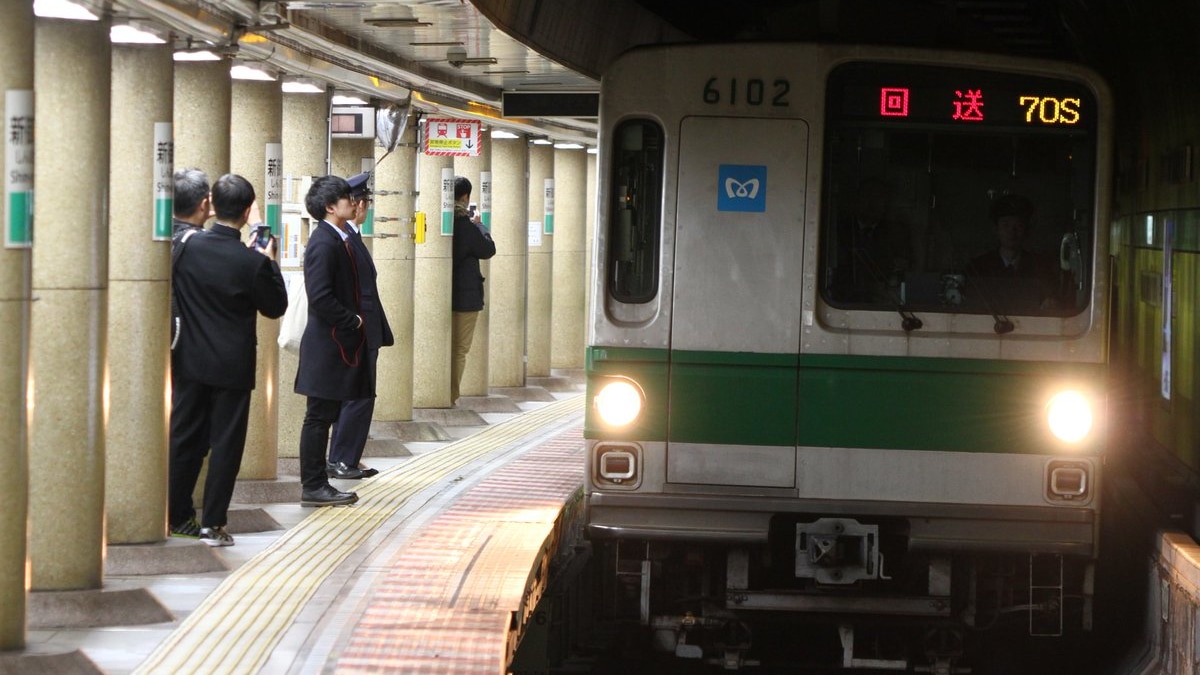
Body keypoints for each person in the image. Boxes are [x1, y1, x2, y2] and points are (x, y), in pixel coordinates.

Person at [168, 173, 288, 546]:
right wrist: (266, 253)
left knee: (185, 437)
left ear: (211, 205)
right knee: (226, 443)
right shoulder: (250, 260)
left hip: (188, 358)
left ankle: (177, 514)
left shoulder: (187, 248)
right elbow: (275, 306)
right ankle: (213, 523)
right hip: (232, 367)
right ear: (248, 210)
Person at [295, 175, 394, 506]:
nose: (354, 202)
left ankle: (318, 482)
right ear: (329, 206)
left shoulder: (337, 237)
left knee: (324, 414)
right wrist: (353, 320)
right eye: (345, 198)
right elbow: (320, 296)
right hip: (328, 345)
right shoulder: (324, 242)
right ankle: (313, 485)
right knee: (318, 417)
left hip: (336, 344)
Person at [327, 171, 387, 479]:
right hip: (358, 333)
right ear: (358, 205)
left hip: (361, 331)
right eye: (365, 203)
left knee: (357, 396)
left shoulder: (350, 237)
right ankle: (342, 459)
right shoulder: (344, 240)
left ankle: (345, 456)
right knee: (358, 396)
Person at [830, 177, 918, 303]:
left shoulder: (896, 234)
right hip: (842, 300)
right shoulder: (839, 229)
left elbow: (905, 266)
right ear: (857, 200)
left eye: (879, 198)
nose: (872, 203)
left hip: (882, 300)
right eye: (867, 197)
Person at [968, 193, 1061, 310]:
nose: (1012, 231)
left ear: (1026, 230)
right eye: (1005, 225)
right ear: (996, 229)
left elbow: (1051, 298)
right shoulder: (978, 267)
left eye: (1018, 225)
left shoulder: (1041, 267)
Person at [450, 175, 496, 406]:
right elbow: (488, 249)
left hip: (443, 295)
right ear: (466, 197)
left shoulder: (446, 223)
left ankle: (442, 391)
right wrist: (480, 226)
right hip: (466, 299)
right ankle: (451, 395)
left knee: (446, 346)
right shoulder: (467, 227)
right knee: (459, 349)